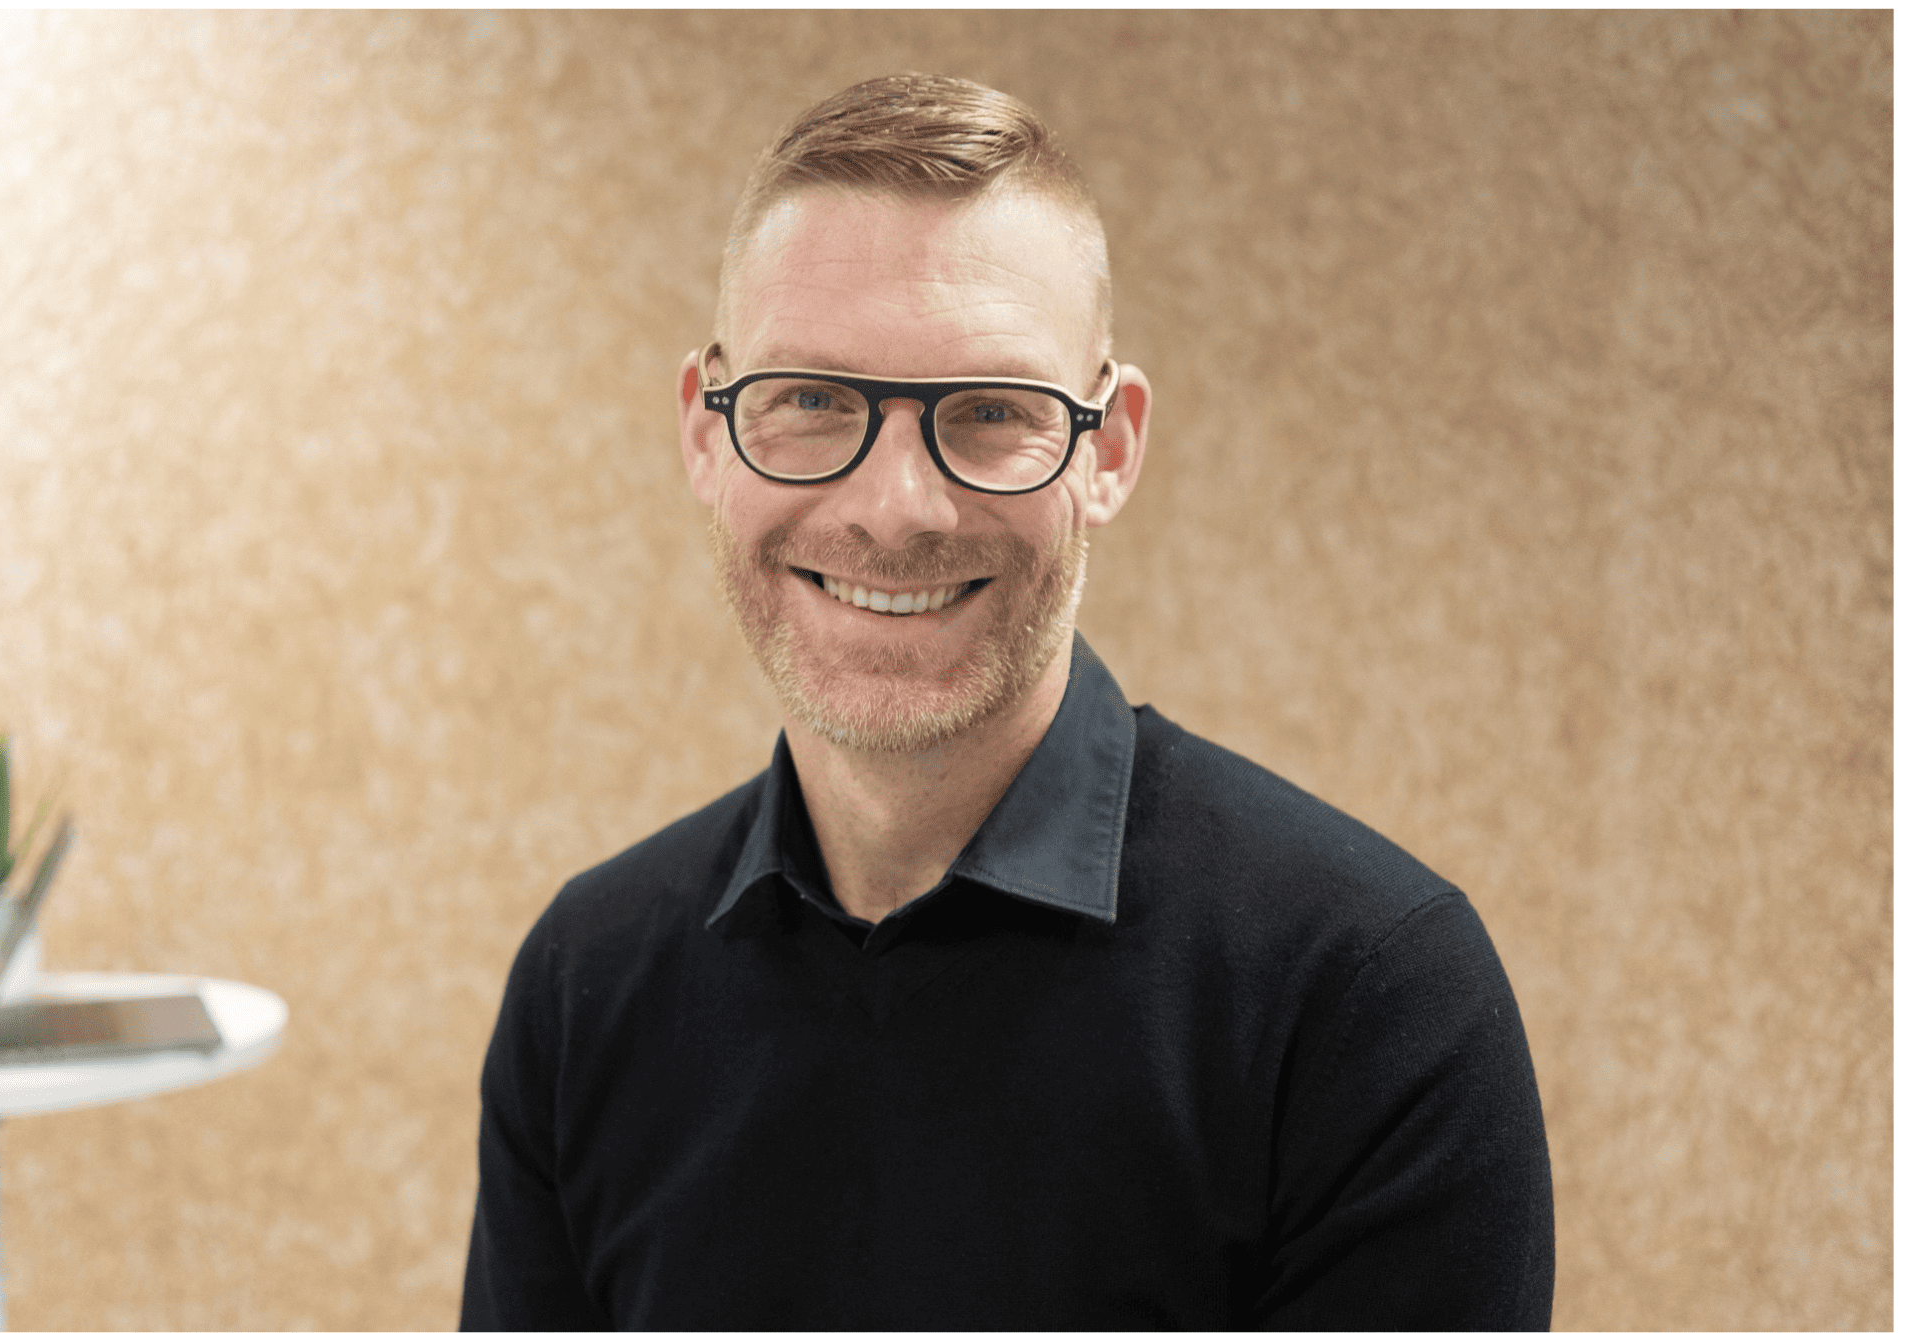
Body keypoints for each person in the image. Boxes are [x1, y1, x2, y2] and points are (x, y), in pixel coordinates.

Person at [462, 73, 1554, 1331]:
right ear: (704, 434)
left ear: (1108, 447)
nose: (894, 507)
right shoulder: (583, 982)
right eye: (810, 402)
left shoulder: (1368, 999)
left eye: (988, 414)